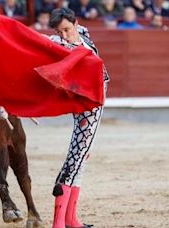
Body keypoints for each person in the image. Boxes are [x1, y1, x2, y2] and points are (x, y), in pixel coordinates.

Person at [48, 7, 109, 228]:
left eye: (66, 29)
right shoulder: (59, 42)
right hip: (86, 109)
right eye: (59, 31)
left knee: (82, 159)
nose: (64, 35)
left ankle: (71, 220)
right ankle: (58, 223)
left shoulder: (83, 33)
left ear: (75, 23)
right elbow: (40, 42)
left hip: (96, 108)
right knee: (74, 160)